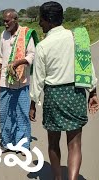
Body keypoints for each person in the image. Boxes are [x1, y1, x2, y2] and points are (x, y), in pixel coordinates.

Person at [29, 1, 99, 180]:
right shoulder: (78, 38)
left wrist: (33, 103)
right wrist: (92, 92)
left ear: (49, 20)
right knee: (75, 144)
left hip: (54, 97)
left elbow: (38, 79)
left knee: (53, 143)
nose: (40, 24)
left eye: (41, 20)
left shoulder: (43, 46)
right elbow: (87, 66)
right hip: (75, 94)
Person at [0, 9, 38, 155]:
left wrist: (19, 62)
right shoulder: (3, 35)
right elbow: (1, 58)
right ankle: (7, 142)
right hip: (5, 82)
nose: (5, 24)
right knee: (5, 112)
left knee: (21, 112)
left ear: (16, 20)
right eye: (4, 21)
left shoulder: (26, 34)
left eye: (7, 21)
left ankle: (23, 144)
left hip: (22, 81)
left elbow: (32, 55)